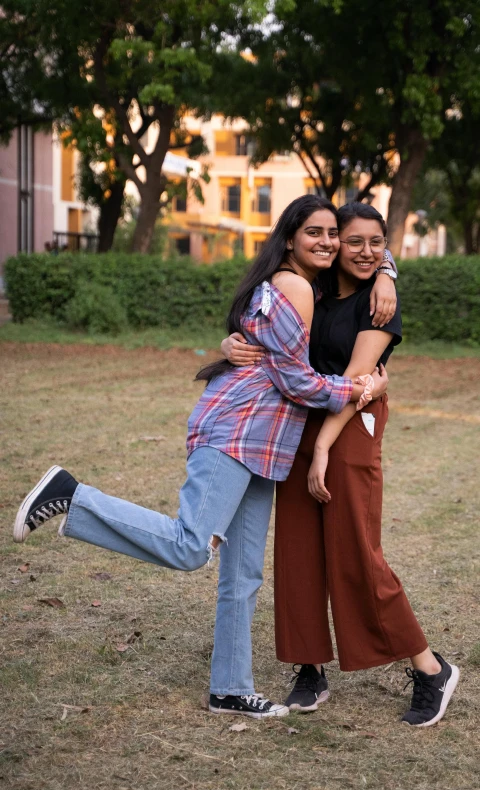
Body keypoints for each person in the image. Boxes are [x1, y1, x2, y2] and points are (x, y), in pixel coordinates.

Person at [13, 195, 389, 720]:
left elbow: (361, 267)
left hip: (266, 444)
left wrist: (387, 270)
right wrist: (358, 389)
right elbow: (295, 379)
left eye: (333, 233)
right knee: (192, 546)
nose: (327, 242)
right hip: (237, 430)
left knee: (244, 572)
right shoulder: (295, 285)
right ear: (289, 238)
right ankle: (73, 497)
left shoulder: (303, 282)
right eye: (315, 233)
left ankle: (230, 688)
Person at [221, 202, 459, 727]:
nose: (365, 252)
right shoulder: (316, 286)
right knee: (298, 549)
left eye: (377, 244)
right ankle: (309, 667)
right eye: (353, 242)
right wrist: (230, 342)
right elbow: (267, 327)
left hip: (350, 423)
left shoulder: (380, 304)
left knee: (355, 550)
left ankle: (430, 667)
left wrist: (325, 446)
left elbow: (356, 380)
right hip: (296, 421)